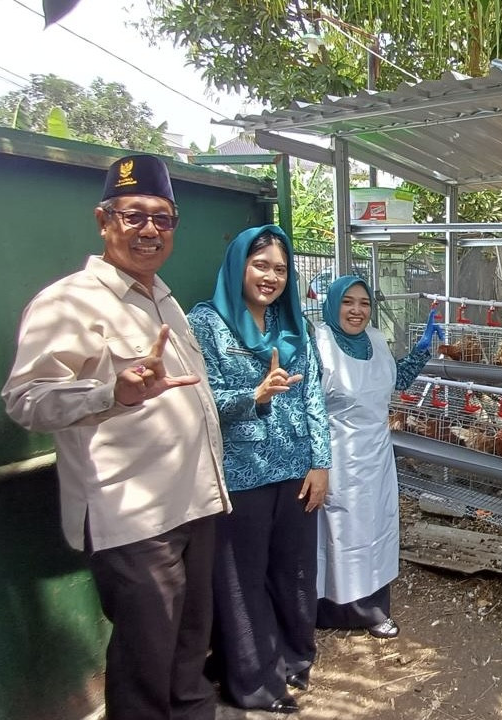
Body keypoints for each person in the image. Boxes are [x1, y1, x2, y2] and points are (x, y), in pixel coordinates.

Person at [1, 154, 230, 720]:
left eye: (162, 217)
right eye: (134, 216)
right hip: (132, 520)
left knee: (188, 655)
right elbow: (25, 399)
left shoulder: (164, 299)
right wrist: (112, 392)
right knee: (145, 668)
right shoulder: (71, 301)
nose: (150, 229)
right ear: (104, 221)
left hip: (194, 505)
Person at [188, 225, 331, 714]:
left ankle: (294, 658)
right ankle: (252, 681)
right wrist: (254, 396)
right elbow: (197, 400)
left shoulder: (293, 325)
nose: (271, 276)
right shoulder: (205, 324)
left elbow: (313, 397)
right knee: (241, 581)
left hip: (295, 470)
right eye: (261, 265)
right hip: (240, 474)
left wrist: (321, 462)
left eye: (280, 269)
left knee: (294, 572)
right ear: (238, 267)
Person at [315, 276, 443, 637]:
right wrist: (316, 461)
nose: (357, 311)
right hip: (336, 456)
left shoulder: (375, 340)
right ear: (333, 303)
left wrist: (422, 350)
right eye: (348, 302)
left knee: (376, 528)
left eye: (364, 303)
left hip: (376, 455)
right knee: (338, 532)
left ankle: (372, 610)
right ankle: (328, 609)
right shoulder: (318, 343)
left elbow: (395, 381)